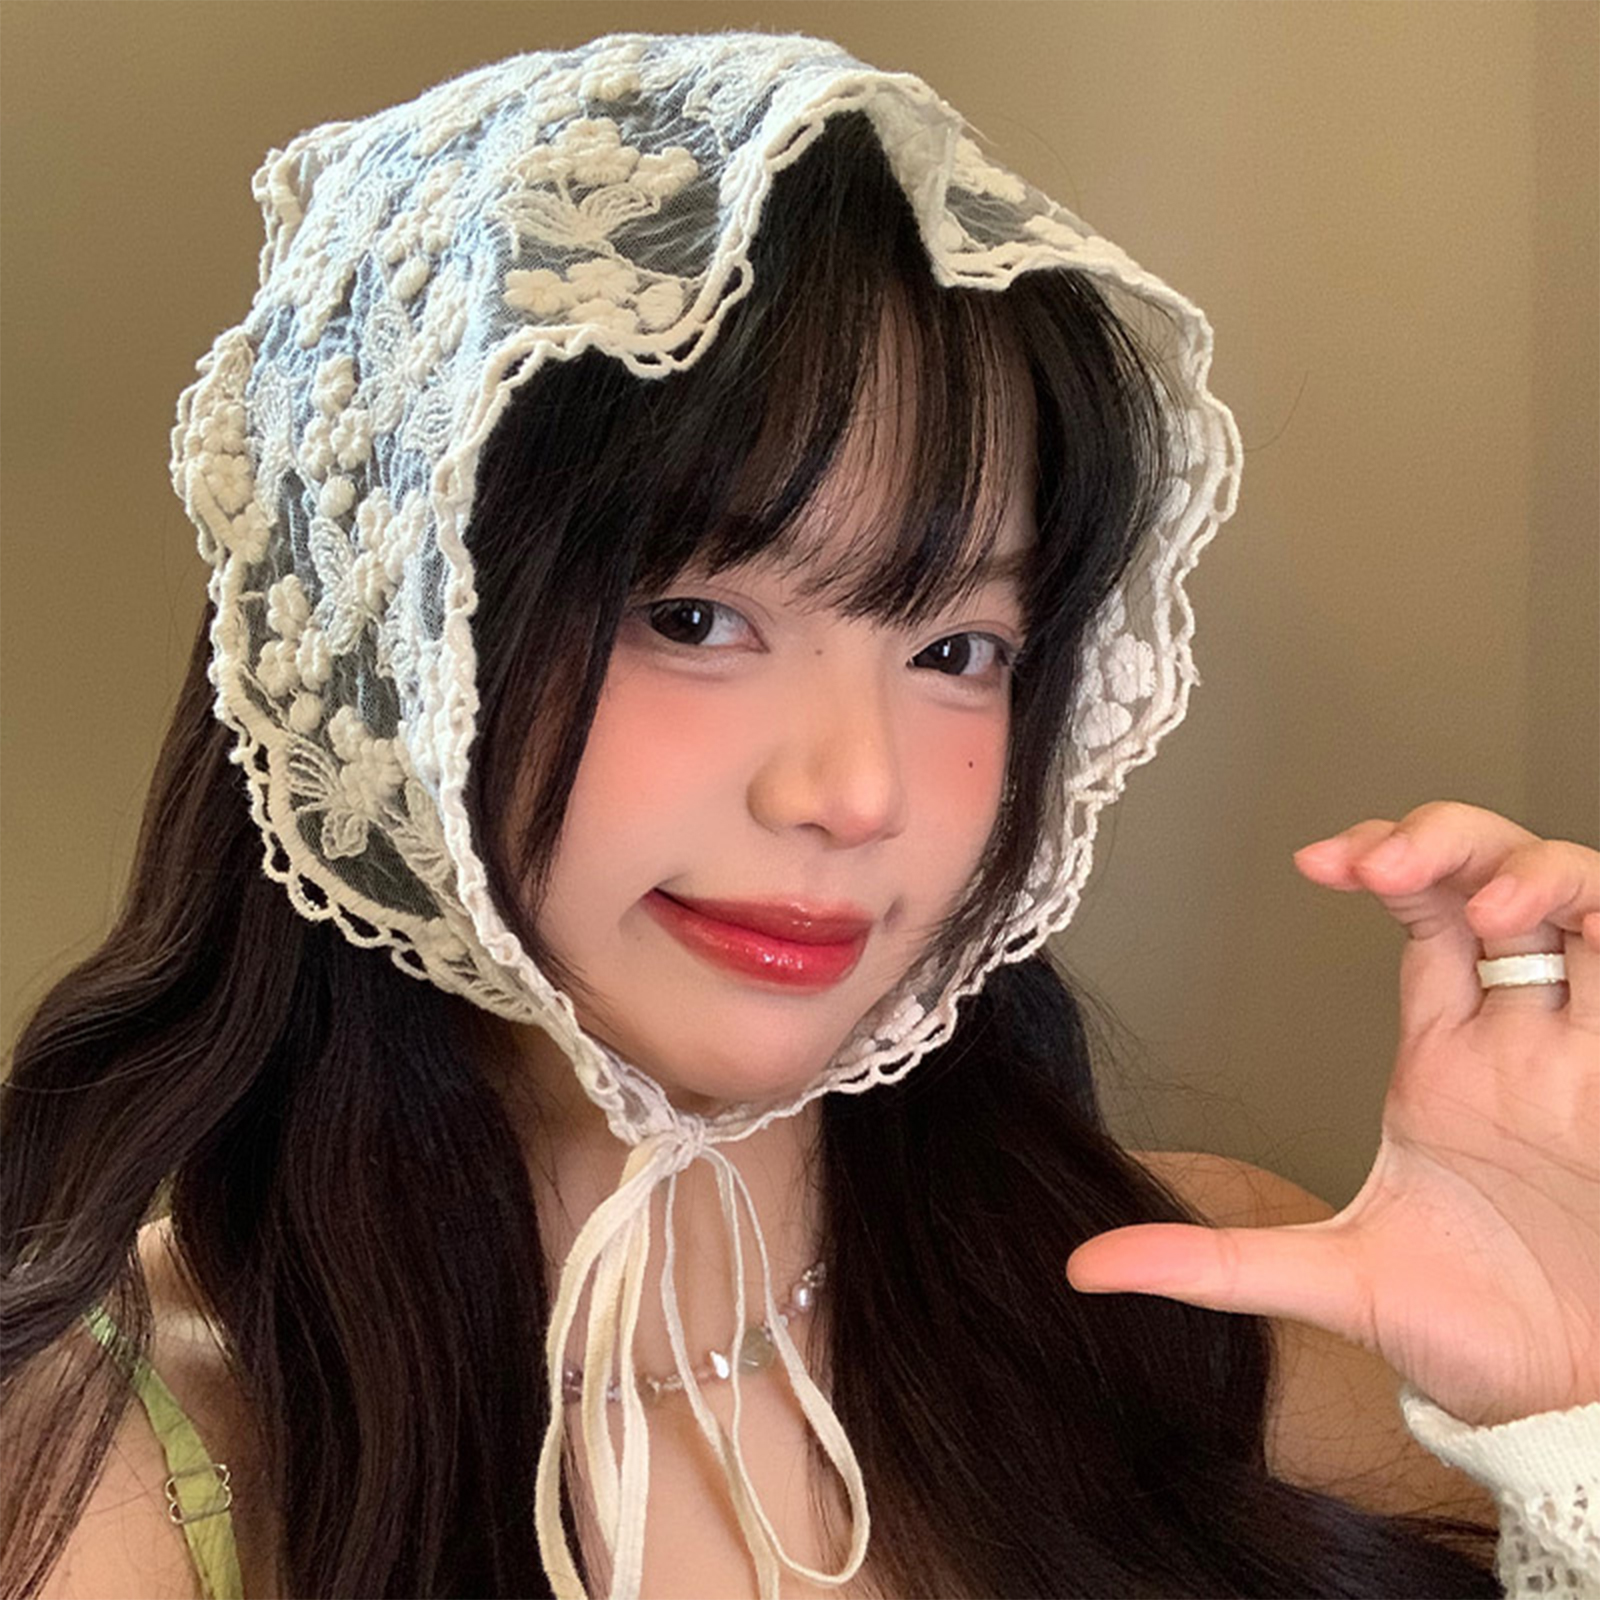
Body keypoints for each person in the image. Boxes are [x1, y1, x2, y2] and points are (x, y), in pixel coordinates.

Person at [1, 30, 1594, 1600]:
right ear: (381, 642)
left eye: (957, 650)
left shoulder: (1225, 1316)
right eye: (695, 618)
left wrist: (1562, 1416)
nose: (856, 793)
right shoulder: (109, 1468)